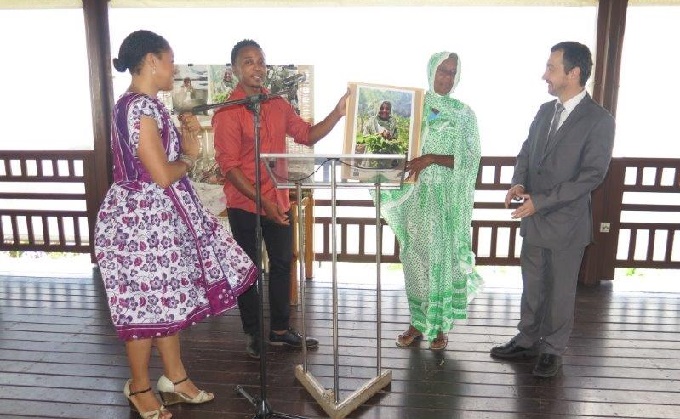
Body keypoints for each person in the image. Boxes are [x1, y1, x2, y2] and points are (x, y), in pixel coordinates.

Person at [95, 30, 257, 419]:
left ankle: (175, 377)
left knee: (165, 297)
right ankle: (139, 387)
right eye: (170, 61)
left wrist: (185, 145)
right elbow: (162, 175)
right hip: (141, 225)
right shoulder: (139, 108)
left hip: (154, 221)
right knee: (144, 305)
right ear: (151, 61)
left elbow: (160, 166)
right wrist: (189, 156)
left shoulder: (145, 106)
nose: (174, 68)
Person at [212, 39, 350, 359]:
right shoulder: (227, 112)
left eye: (261, 61)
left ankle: (279, 330)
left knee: (283, 263)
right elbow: (230, 168)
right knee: (248, 270)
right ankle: (252, 333)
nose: (257, 67)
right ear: (235, 69)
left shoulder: (277, 103)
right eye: (248, 61)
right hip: (245, 204)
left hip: (279, 198)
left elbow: (307, 135)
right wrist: (263, 203)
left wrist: (338, 113)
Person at [489, 41, 615, 377]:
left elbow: (592, 175)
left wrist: (541, 202)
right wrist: (518, 182)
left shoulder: (599, 120)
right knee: (532, 285)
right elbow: (527, 151)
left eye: (551, 68)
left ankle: (553, 349)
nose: (544, 75)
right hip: (534, 219)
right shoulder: (545, 111)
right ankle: (527, 339)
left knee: (560, 292)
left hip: (566, 223)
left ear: (573, 73)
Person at [375, 51, 483, 351]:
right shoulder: (414, 108)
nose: (446, 77)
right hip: (415, 196)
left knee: (440, 260)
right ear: (431, 71)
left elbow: (471, 159)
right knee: (413, 259)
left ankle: (438, 327)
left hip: (445, 199)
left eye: (451, 72)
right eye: (441, 70)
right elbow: (394, 142)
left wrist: (432, 158)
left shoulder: (463, 114)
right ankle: (417, 322)